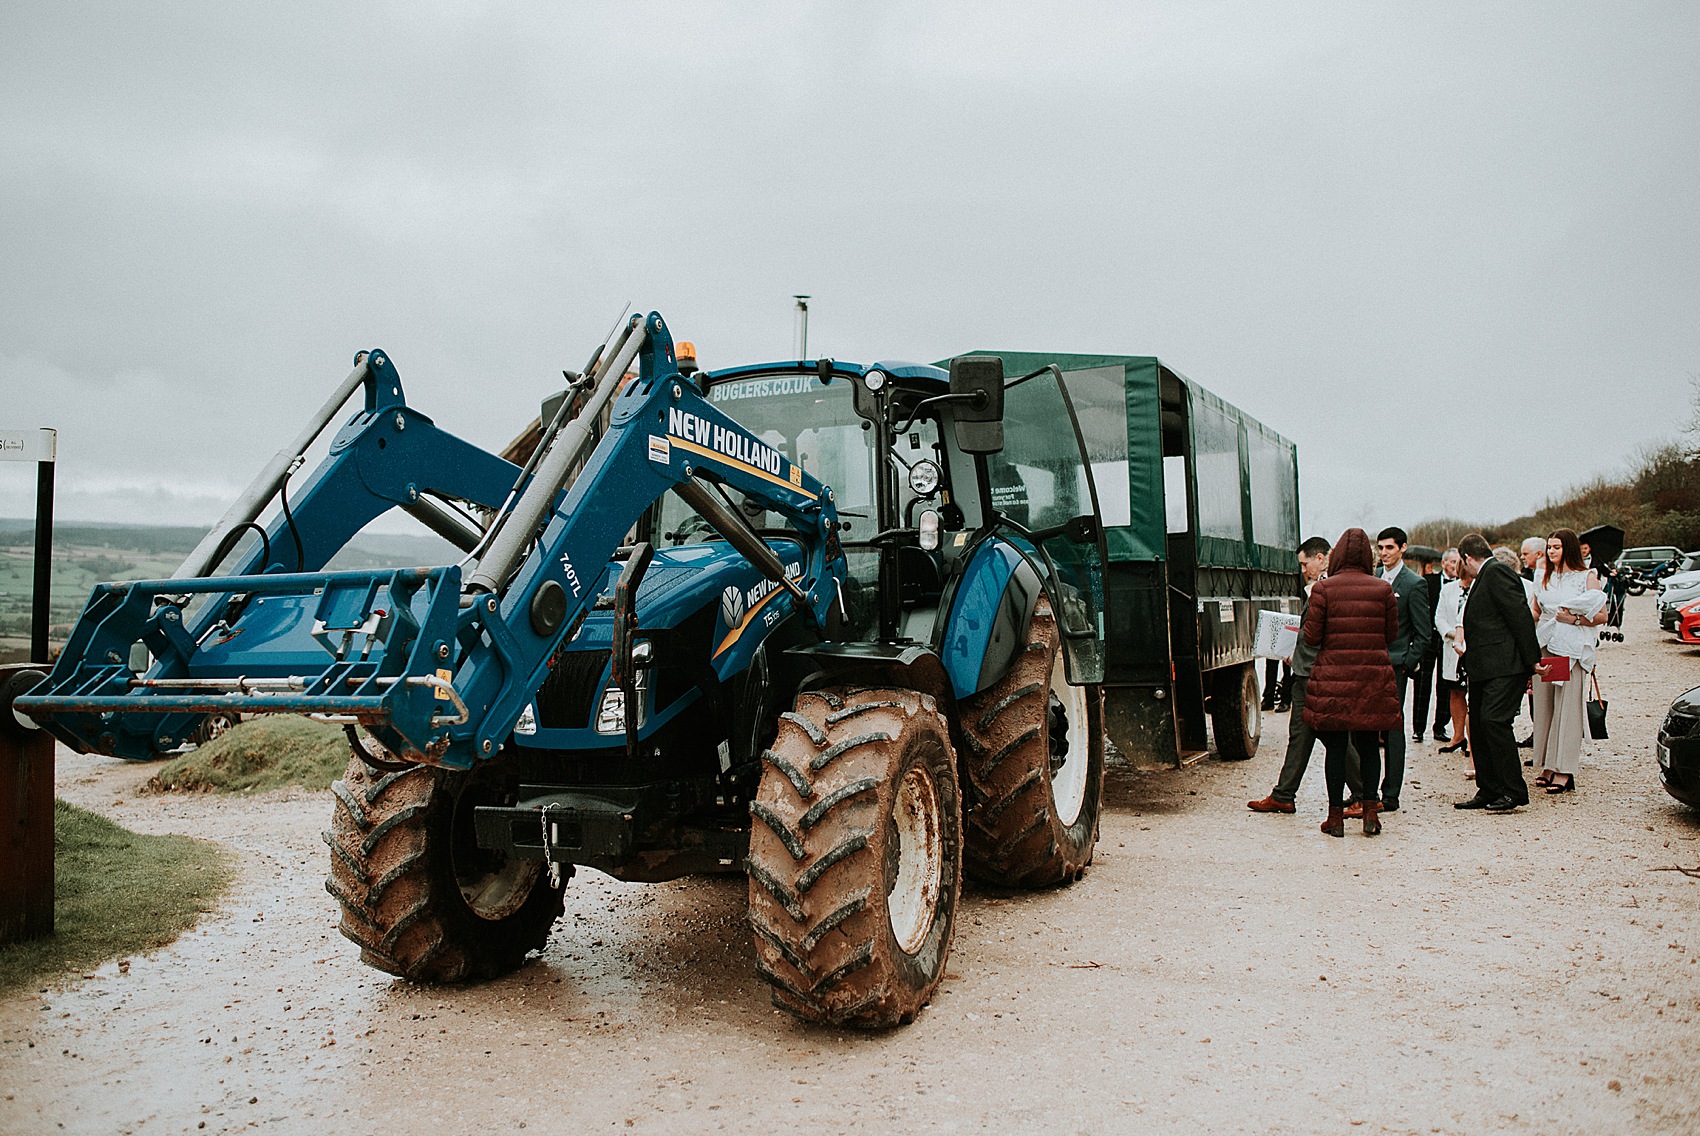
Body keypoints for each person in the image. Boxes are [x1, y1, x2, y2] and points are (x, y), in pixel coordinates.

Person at [1248, 536, 1362, 812]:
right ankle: (1285, 794)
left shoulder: (1324, 589)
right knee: (1305, 734)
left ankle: (1363, 794)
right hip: (1310, 672)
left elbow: (1319, 634)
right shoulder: (1323, 587)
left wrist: (1299, 657)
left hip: (1313, 674)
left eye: (1304, 563)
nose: (1302, 570)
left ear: (1320, 558)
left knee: (1330, 735)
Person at [1301, 528, 1400, 837]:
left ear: (1338, 555)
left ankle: (1335, 819)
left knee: (1336, 747)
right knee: (1370, 746)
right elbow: (1391, 635)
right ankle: (1371, 813)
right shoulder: (1382, 589)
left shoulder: (1323, 590)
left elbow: (1312, 637)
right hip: (1372, 678)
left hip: (1334, 678)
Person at [1454, 533, 1541, 813]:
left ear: (1467, 557)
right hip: (1483, 666)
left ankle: (1512, 789)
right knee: (1478, 726)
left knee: (1494, 721)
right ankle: (1488, 788)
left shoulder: (1498, 571)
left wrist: (1532, 660)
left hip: (1504, 665)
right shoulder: (1485, 576)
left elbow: (1519, 615)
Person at [1530, 528, 1607, 793]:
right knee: (1545, 707)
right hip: (1546, 644)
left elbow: (1602, 614)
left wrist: (1574, 619)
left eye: (1556, 547)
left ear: (1569, 549)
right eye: (1549, 547)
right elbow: (1536, 610)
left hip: (1571, 647)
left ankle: (1565, 768)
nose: (1551, 552)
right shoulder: (1542, 577)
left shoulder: (1586, 577)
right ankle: (1547, 763)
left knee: (1567, 709)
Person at [1367, 526, 1429, 813]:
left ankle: (1391, 792)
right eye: (1381, 548)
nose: (1384, 554)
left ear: (1402, 548)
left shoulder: (1413, 584)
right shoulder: (1373, 579)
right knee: (1367, 727)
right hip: (1369, 663)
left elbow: (1423, 632)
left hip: (1395, 664)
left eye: (1389, 548)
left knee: (1392, 728)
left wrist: (1406, 660)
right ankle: (1366, 791)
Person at [1434, 555, 1471, 772]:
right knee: (1455, 691)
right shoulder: (1448, 589)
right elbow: (1439, 616)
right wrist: (1451, 633)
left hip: (1472, 646)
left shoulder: (1478, 587)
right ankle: (1457, 735)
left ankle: (1472, 738)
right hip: (1451, 646)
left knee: (1471, 692)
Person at [1430, 547, 1461, 743]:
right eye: (1452, 561)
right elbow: (1437, 615)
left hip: (1459, 643)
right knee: (1427, 685)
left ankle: (1444, 726)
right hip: (1438, 637)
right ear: (1444, 563)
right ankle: (1419, 728)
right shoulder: (1435, 584)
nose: (1455, 565)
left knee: (1450, 686)